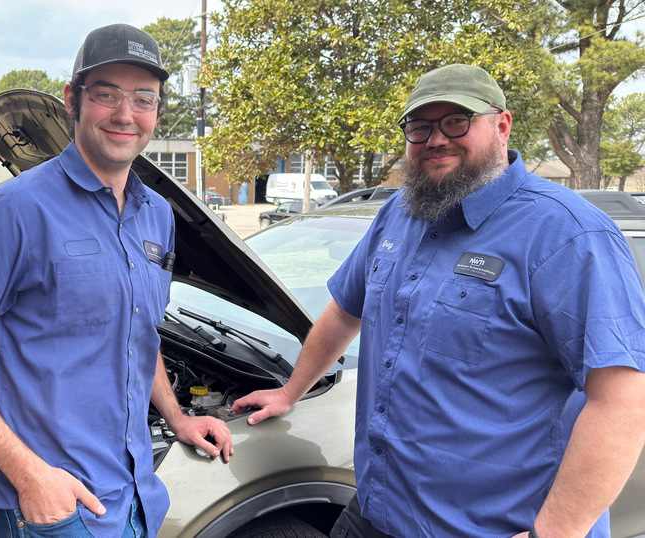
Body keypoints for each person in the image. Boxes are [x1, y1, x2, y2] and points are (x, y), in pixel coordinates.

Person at [232, 64, 645, 537]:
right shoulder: (398, 213)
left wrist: (552, 533)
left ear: (502, 125)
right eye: (420, 126)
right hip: (376, 513)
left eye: (456, 121)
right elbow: (345, 310)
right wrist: (289, 392)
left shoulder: (568, 235)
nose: (435, 139)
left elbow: (622, 403)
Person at [0, 23, 234, 537]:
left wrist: (176, 415)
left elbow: (137, 336)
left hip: (136, 496)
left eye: (144, 99)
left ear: (158, 112)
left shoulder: (157, 216)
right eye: (107, 94)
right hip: (53, 508)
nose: (126, 114)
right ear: (72, 100)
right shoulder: (14, 211)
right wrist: (28, 473)